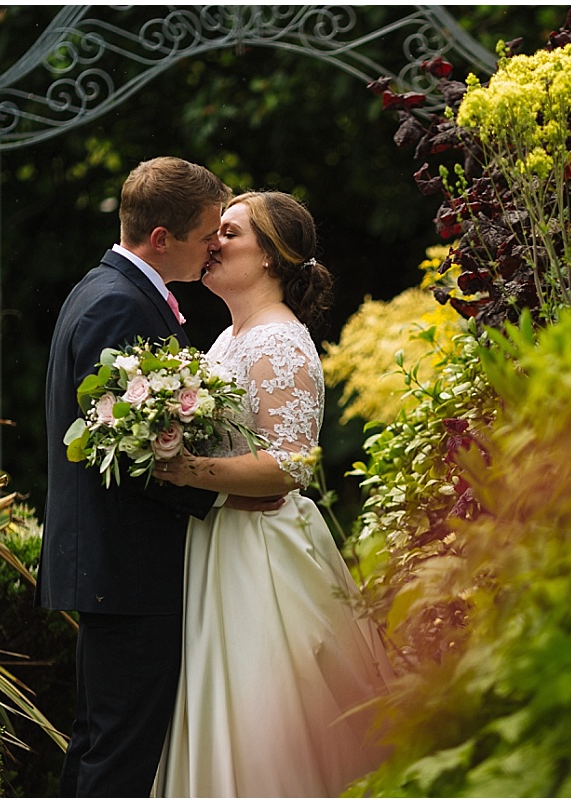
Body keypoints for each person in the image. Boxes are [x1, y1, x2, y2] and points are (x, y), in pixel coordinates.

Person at [38, 157, 280, 796]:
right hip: (128, 566)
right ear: (162, 240)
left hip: (117, 567)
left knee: (100, 738)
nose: (212, 249)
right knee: (119, 751)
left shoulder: (112, 291)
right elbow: (124, 456)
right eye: (207, 236)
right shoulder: (118, 306)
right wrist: (224, 493)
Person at [150, 191, 394, 796]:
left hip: (260, 554)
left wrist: (185, 470)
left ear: (268, 257)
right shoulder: (233, 338)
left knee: (264, 715)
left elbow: (289, 466)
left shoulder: (277, 341)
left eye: (229, 233)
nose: (213, 244)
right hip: (218, 543)